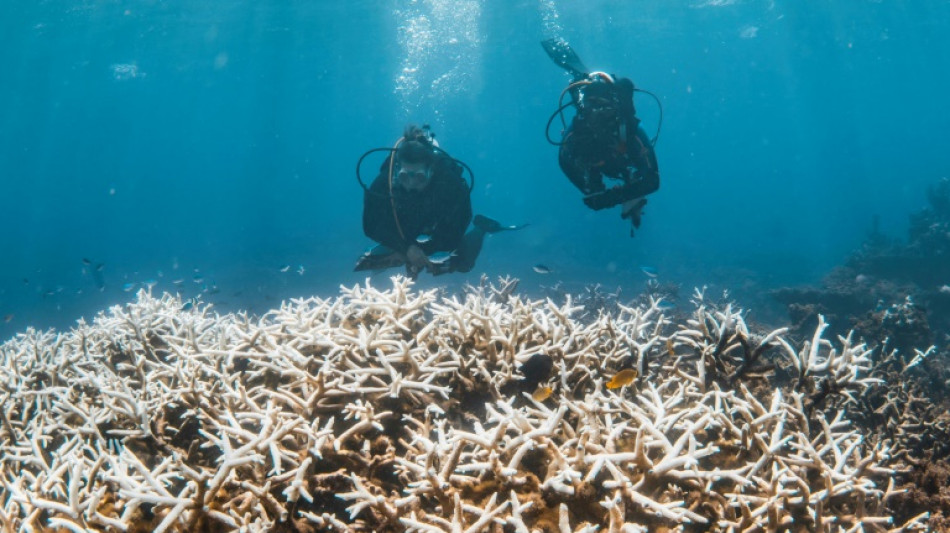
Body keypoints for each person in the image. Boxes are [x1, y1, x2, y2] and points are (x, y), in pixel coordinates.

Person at [356, 125, 522, 278]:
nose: (411, 185)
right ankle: (405, 254)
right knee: (368, 261)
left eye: (419, 177)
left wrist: (430, 251)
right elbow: (370, 225)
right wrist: (406, 249)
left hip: (438, 230)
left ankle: (481, 228)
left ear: (431, 171)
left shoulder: (449, 183)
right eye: (405, 177)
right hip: (402, 230)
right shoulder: (386, 180)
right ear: (398, 169)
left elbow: (461, 221)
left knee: (464, 264)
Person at [542, 38, 660, 236]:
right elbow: (565, 162)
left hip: (622, 163)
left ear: (615, 109)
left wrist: (611, 197)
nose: (597, 115)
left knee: (633, 177)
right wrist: (591, 191)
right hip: (598, 164)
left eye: (603, 109)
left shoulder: (630, 130)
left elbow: (653, 180)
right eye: (592, 108)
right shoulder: (577, 133)